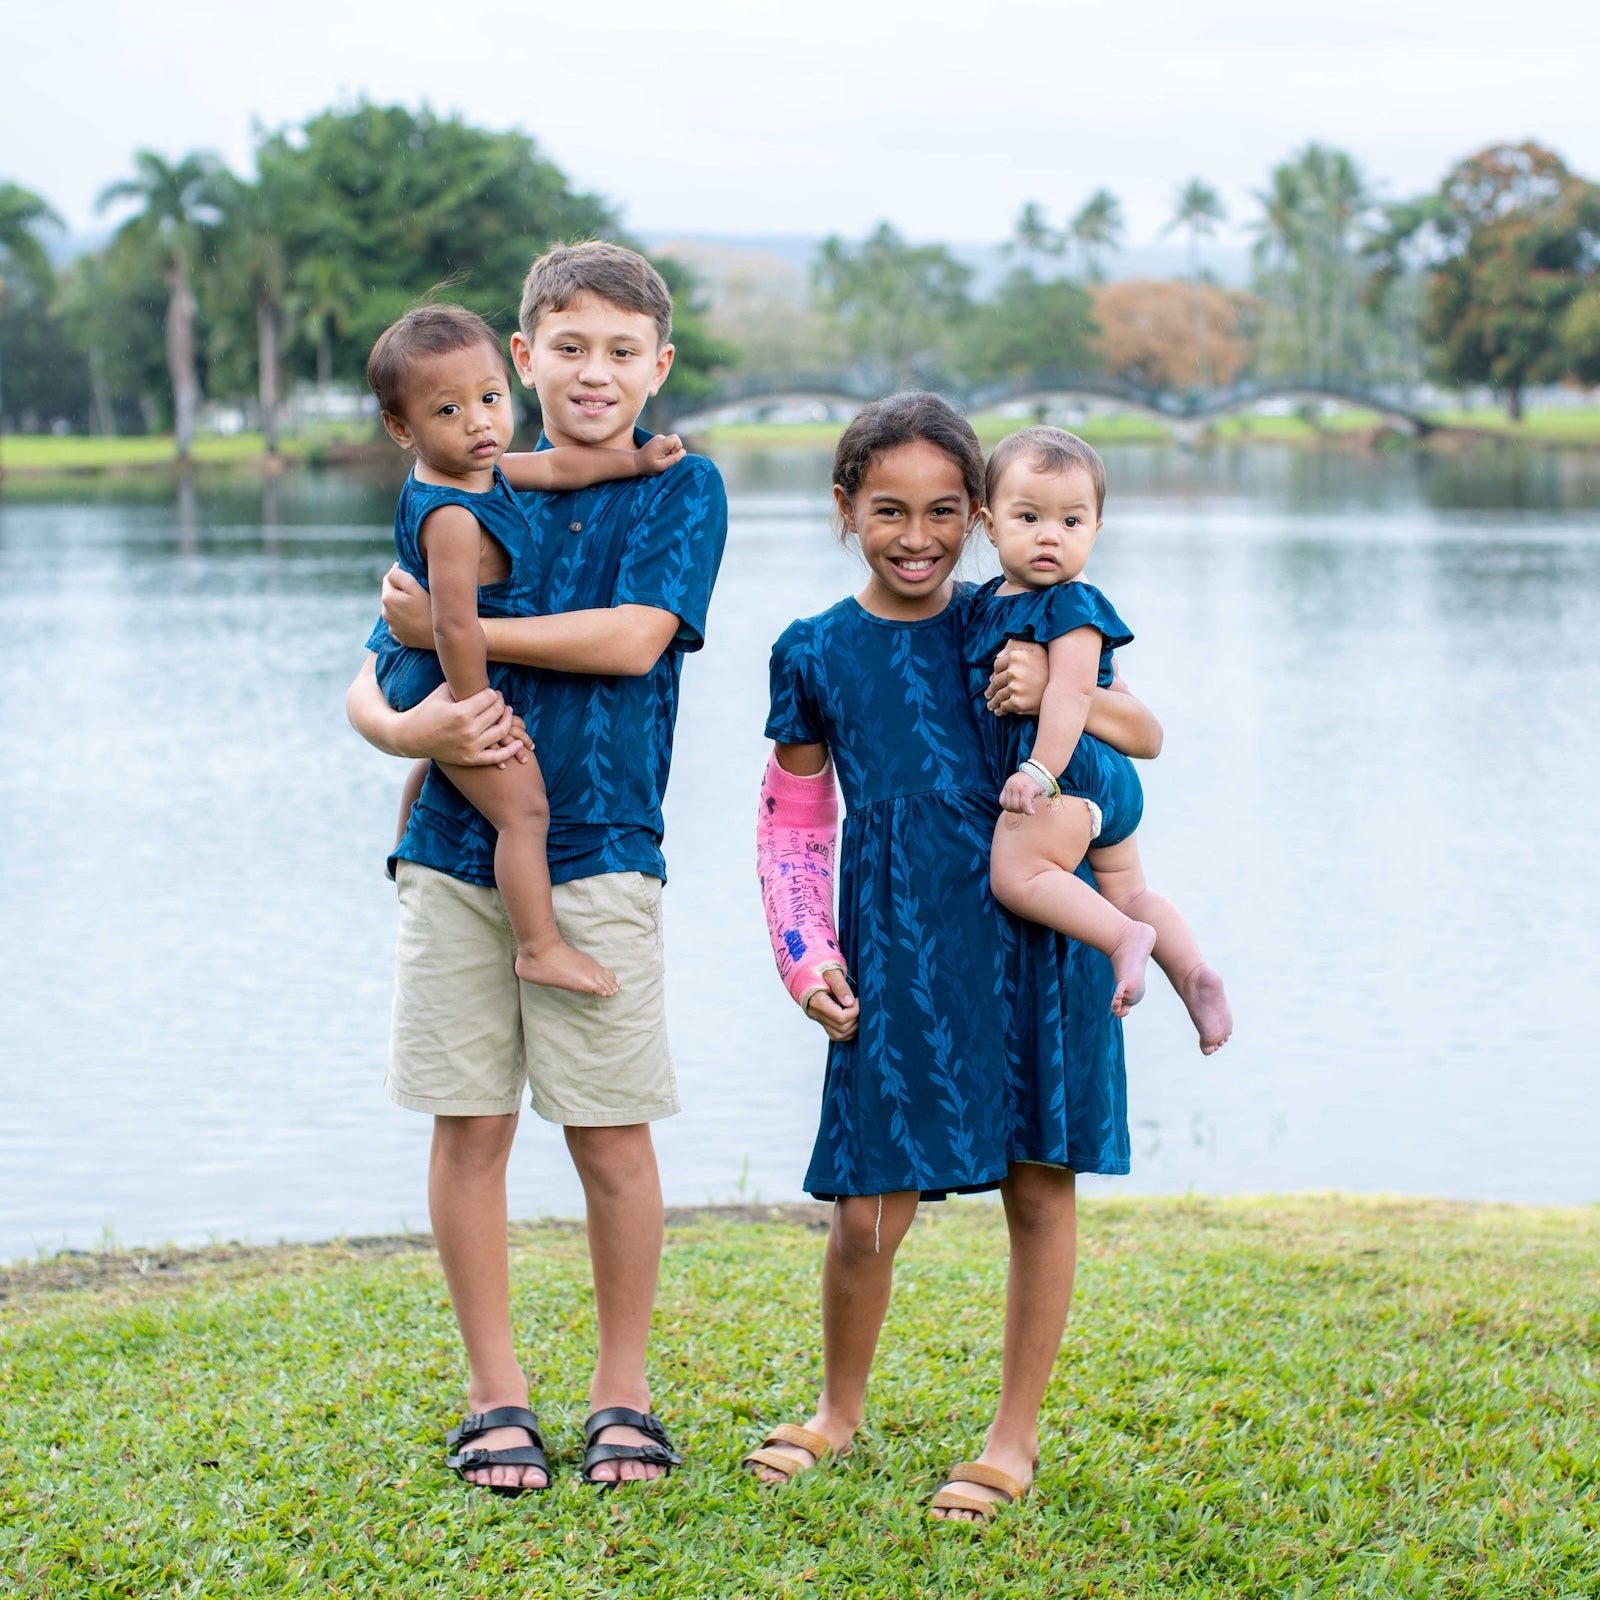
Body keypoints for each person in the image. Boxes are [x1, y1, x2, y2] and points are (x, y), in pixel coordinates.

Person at [345, 242, 727, 1494]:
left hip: (603, 849)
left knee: (610, 1133)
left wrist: (459, 633)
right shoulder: (461, 478)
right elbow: (369, 677)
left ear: (657, 365)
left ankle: (624, 1393)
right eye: (568, 347)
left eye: (622, 351)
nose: (594, 371)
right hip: (452, 850)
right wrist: (416, 725)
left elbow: (632, 641)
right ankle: (493, 1393)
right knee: (471, 1124)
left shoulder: (677, 491)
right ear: (523, 358)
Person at [746, 393, 1164, 1523]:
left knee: (1040, 1181)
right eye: (889, 509)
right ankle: (837, 1411)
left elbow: (1138, 728)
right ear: (845, 510)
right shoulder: (813, 650)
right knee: (868, 1201)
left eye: (943, 510)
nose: (918, 535)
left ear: (978, 514)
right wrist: (800, 951)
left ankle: (1010, 1440)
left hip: (1036, 934)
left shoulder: (1015, 613)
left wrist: (1046, 692)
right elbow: (792, 818)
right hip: (895, 944)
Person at [365, 301, 685, 998]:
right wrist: (478, 711)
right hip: (442, 674)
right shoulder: (452, 515)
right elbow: (450, 629)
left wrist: (632, 461)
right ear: (401, 428)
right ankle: (539, 946)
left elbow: (557, 472)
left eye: (488, 400)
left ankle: (403, 843)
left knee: (441, 768)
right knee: (523, 808)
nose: (480, 422)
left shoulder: (477, 472)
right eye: (449, 412)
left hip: (426, 667)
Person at [968, 426, 1232, 1053]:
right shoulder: (987, 603)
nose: (1050, 535)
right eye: (1028, 516)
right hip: (1102, 786)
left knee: (1017, 871)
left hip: (1075, 772)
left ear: (1096, 531)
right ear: (989, 523)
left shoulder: (1072, 606)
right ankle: (1193, 974)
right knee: (1131, 890)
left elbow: (1072, 695)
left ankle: (1122, 939)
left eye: (1071, 521)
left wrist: (1038, 772)